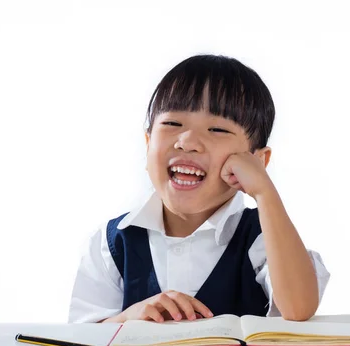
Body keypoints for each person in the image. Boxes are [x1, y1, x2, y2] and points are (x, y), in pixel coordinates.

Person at [68, 54, 330, 324]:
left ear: (258, 160)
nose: (187, 141)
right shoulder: (111, 243)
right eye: (172, 124)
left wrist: (264, 192)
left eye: (217, 129)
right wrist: (127, 318)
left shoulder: (264, 238)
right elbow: (81, 342)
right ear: (148, 143)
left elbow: (298, 309)